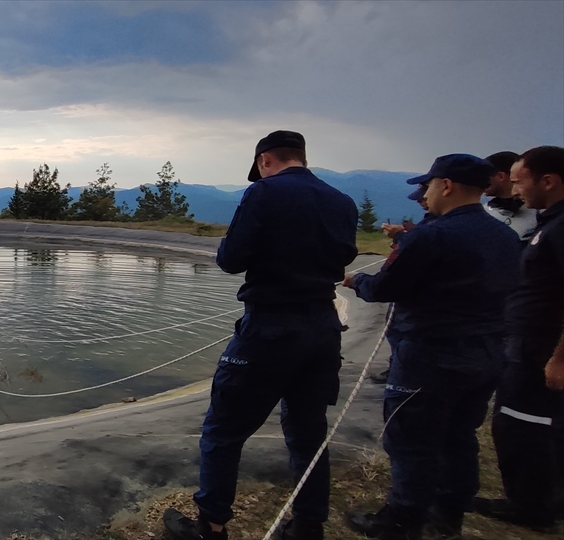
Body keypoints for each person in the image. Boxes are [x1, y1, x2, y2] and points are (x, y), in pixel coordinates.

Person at [162, 130, 358, 540]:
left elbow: (231, 259)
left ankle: (210, 526)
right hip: (323, 330)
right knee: (308, 429)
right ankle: (308, 525)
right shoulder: (343, 202)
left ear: (265, 160)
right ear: (301, 157)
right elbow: (344, 259)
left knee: (224, 430)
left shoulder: (263, 194)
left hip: (270, 328)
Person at [341, 154, 521, 539]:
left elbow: (386, 287)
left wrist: (355, 282)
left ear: (447, 185)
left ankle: (402, 520)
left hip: (429, 355)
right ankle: (449, 516)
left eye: (429, 185)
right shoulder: (506, 236)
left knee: (411, 441)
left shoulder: (432, 235)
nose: (426, 194)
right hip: (487, 353)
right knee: (459, 435)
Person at [476, 145, 564, 532]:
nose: (516, 191)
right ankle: (537, 499)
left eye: (520, 182)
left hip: (539, 347)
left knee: (524, 424)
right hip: (527, 341)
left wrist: (560, 358)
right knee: (530, 424)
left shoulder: (561, 228)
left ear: (548, 180)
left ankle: (532, 507)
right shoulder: (549, 222)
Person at [369, 186, 438, 385]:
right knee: (395, 330)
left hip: (419, 302)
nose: (421, 201)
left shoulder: (434, 228)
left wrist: (401, 237)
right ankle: (397, 366)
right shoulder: (431, 223)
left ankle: (401, 372)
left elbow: (420, 250)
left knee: (400, 330)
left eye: (424, 198)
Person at [483, 150, 539, 243]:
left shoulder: (540, 210)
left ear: (501, 176)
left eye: (485, 177)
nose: (481, 183)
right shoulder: (483, 213)